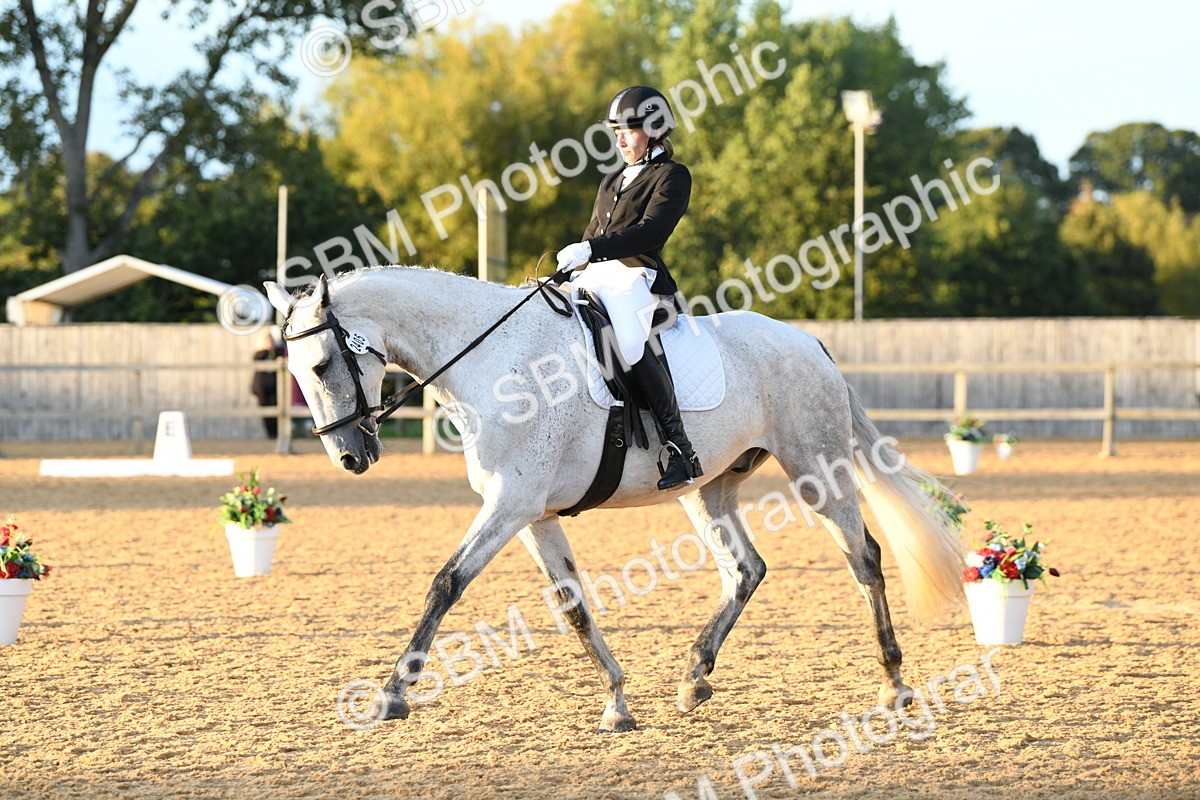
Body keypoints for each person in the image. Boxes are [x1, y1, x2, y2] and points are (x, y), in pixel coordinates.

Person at [557, 85, 703, 491]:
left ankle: (679, 446)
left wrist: (591, 247)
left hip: (637, 276)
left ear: (655, 131)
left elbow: (649, 233)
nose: (620, 139)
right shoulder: (611, 180)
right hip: (596, 276)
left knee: (631, 340)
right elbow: (593, 233)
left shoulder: (672, 176)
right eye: (616, 130)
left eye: (630, 129)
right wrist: (566, 272)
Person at [250, 328, 283, 438]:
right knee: (266, 413)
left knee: (277, 413)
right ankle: (271, 435)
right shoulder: (260, 353)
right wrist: (266, 349)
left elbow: (282, 356)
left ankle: (277, 434)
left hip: (275, 388)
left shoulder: (277, 352)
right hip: (262, 389)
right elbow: (257, 360)